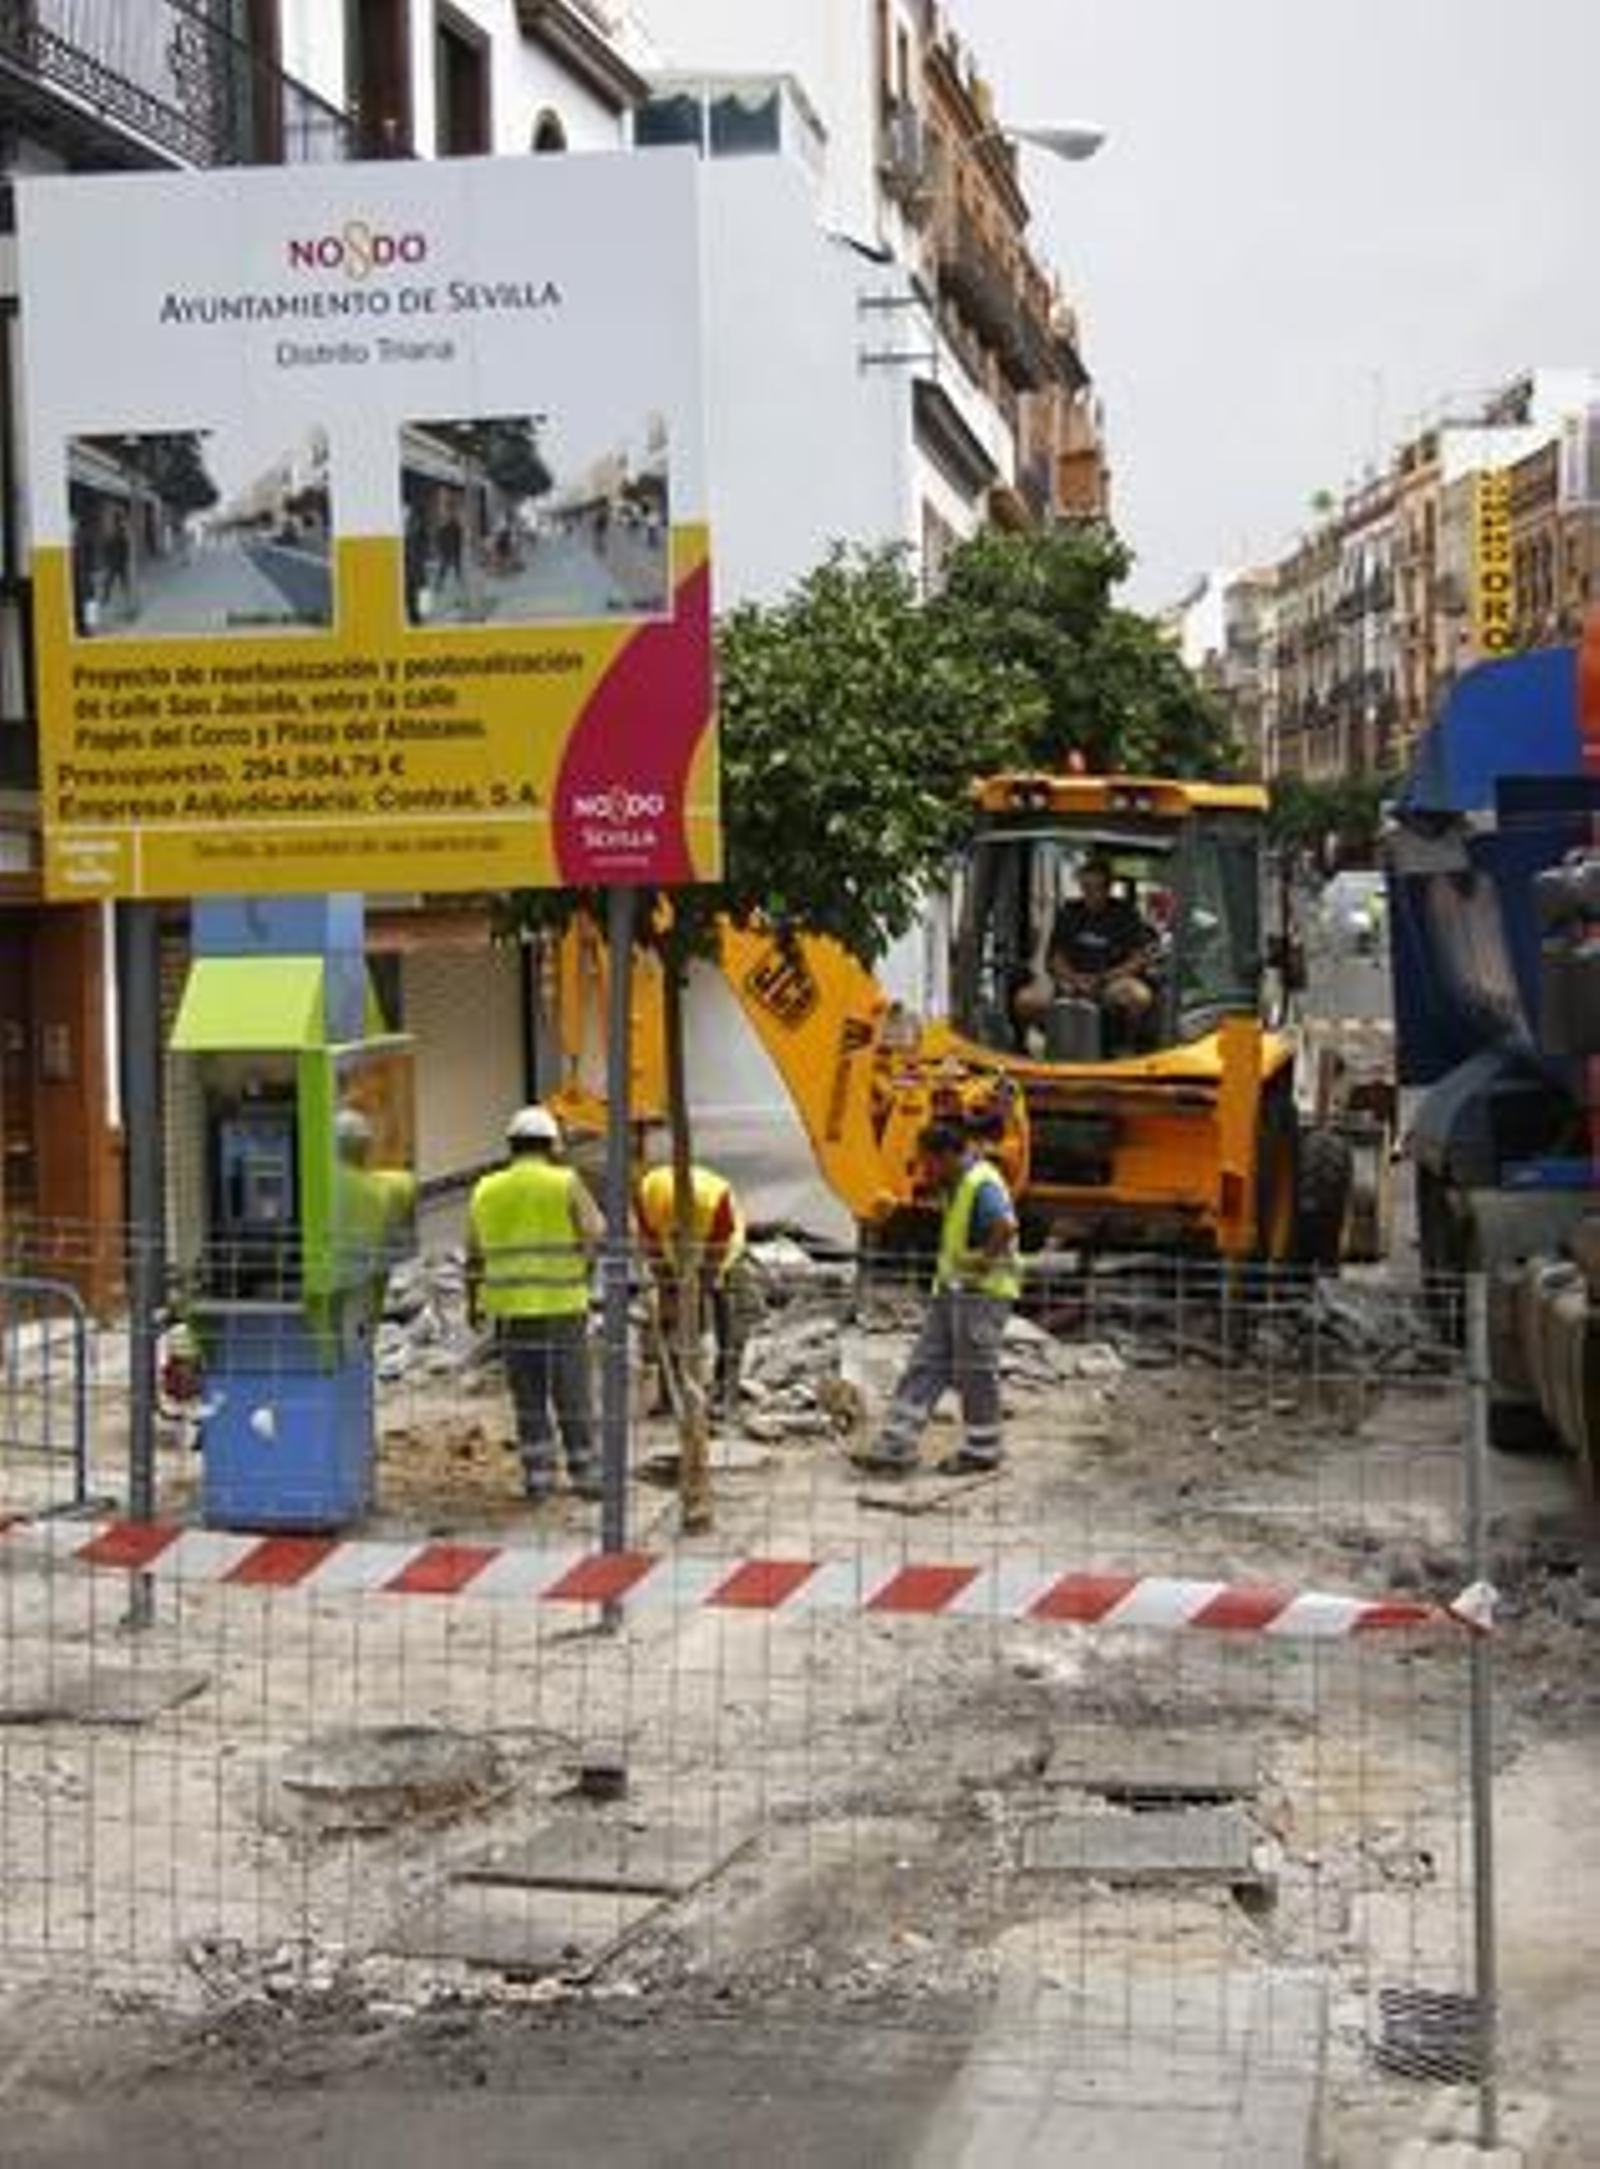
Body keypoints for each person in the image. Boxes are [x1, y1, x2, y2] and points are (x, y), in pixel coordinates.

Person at [853, 1121, 1021, 1477]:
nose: (924, 1169)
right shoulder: (957, 1183)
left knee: (975, 1372)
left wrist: (981, 1263)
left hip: (982, 1294)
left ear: (947, 1156)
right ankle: (896, 1443)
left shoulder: (981, 1183)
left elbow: (1005, 1226)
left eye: (928, 1161)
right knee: (926, 1362)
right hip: (954, 1291)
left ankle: (982, 1449)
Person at [466, 1105, 603, 1504]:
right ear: (551, 1145)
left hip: (511, 1312)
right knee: (572, 1393)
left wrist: (472, 1302)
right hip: (563, 1306)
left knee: (528, 1398)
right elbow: (595, 1232)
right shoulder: (565, 1182)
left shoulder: (486, 1189)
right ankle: (585, 1475)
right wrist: (583, 1268)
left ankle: (538, 1478)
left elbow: (473, 1254)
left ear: (511, 1145)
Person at [634, 1156, 753, 1422]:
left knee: (728, 1312)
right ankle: (669, 1393)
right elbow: (651, 1245)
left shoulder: (714, 1200)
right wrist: (667, 1286)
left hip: (722, 1250)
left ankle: (726, 1391)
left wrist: (702, 1288)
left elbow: (718, 1251)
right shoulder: (649, 1193)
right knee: (671, 1319)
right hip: (675, 1251)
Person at [1017, 856, 1160, 1046]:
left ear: (1108, 888)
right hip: (1070, 982)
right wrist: (1074, 979)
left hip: (1110, 983)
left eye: (1096, 887)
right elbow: (1056, 957)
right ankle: (1036, 1044)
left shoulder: (1126, 914)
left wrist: (1103, 978)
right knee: (1026, 1000)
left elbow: (1137, 959)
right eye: (1085, 887)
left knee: (1139, 996)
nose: (1090, 893)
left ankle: (1127, 1044)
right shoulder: (1069, 911)